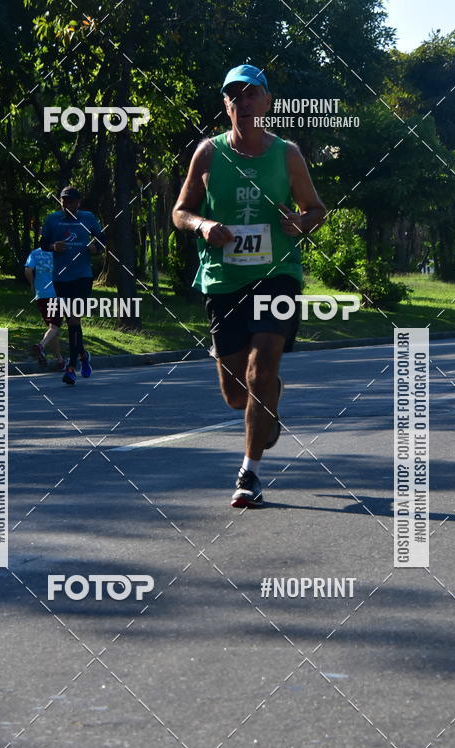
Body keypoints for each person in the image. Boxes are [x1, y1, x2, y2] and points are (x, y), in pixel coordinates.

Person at [172, 64, 326, 507]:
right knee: (238, 395)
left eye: (251, 94)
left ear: (268, 101)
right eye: (234, 96)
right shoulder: (208, 153)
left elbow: (315, 208)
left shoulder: (287, 154)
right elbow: (180, 211)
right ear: (226, 106)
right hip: (224, 281)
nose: (243, 102)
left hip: (277, 276)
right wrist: (202, 225)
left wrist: (301, 223)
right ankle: (268, 403)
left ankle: (249, 474)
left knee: (261, 371)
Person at [40, 186, 104, 385]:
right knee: (72, 322)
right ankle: (83, 356)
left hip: (82, 277)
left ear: (78, 203)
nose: (68, 205)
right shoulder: (52, 220)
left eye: (72, 202)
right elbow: (43, 243)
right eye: (64, 202)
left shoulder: (88, 218)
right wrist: (52, 246)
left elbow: (102, 239)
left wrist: (96, 248)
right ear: (60, 202)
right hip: (61, 278)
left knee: (74, 320)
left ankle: (71, 368)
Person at [24, 246, 66, 370]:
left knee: (52, 329)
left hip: (41, 296)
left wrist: (32, 284)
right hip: (56, 295)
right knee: (54, 328)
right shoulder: (60, 252)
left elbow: (27, 270)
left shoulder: (35, 253)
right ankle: (41, 346)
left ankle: (60, 360)